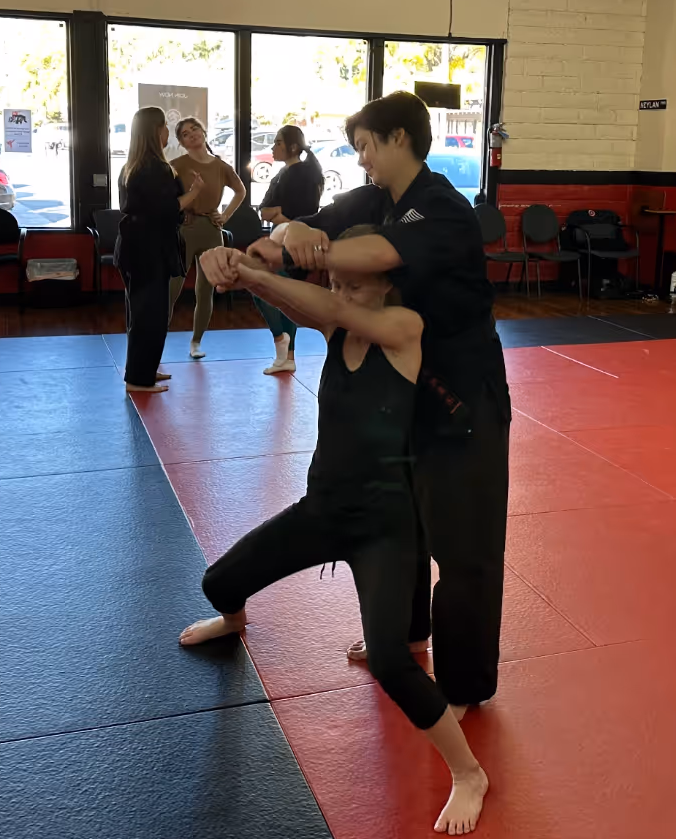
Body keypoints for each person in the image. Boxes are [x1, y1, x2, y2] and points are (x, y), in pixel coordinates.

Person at [201, 91, 511, 717]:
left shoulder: (443, 207)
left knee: (464, 546)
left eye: (367, 145)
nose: (362, 158)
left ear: (399, 137)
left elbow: (376, 256)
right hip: (404, 394)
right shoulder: (375, 199)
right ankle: (405, 636)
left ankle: (464, 688)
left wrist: (287, 257)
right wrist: (266, 247)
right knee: (408, 522)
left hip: (462, 398)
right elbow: (305, 226)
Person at [181, 231, 489, 834]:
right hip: (323, 512)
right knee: (218, 580)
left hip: (384, 525)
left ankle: (470, 775)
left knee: (390, 664)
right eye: (338, 282)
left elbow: (327, 306)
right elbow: (313, 308)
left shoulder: (404, 328)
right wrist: (238, 267)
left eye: (355, 283)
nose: (341, 294)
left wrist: (257, 274)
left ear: (386, 286)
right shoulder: (337, 329)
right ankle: (237, 619)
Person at [115, 106, 205, 393]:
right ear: (155, 131)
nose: (168, 131)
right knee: (149, 315)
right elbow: (166, 209)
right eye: (165, 126)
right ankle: (138, 379)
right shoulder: (154, 168)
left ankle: (144, 369)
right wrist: (194, 193)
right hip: (148, 250)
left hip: (135, 247)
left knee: (142, 313)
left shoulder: (132, 166)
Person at [170, 117, 246, 359]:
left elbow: (241, 191)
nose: (191, 134)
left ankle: (196, 341)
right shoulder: (176, 165)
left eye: (195, 129)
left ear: (203, 132)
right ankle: (155, 341)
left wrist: (224, 216)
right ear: (181, 142)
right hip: (185, 228)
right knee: (172, 288)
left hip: (212, 230)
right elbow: (167, 201)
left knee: (206, 289)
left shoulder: (221, 166)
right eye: (185, 133)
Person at [256, 126, 324, 375]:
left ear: (292, 147)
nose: (273, 148)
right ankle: (286, 356)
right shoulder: (283, 174)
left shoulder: (301, 175)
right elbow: (265, 210)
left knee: (269, 291)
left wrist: (278, 215)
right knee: (278, 294)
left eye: (278, 143)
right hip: (283, 239)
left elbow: (301, 215)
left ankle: (282, 344)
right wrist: (277, 214)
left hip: (293, 243)